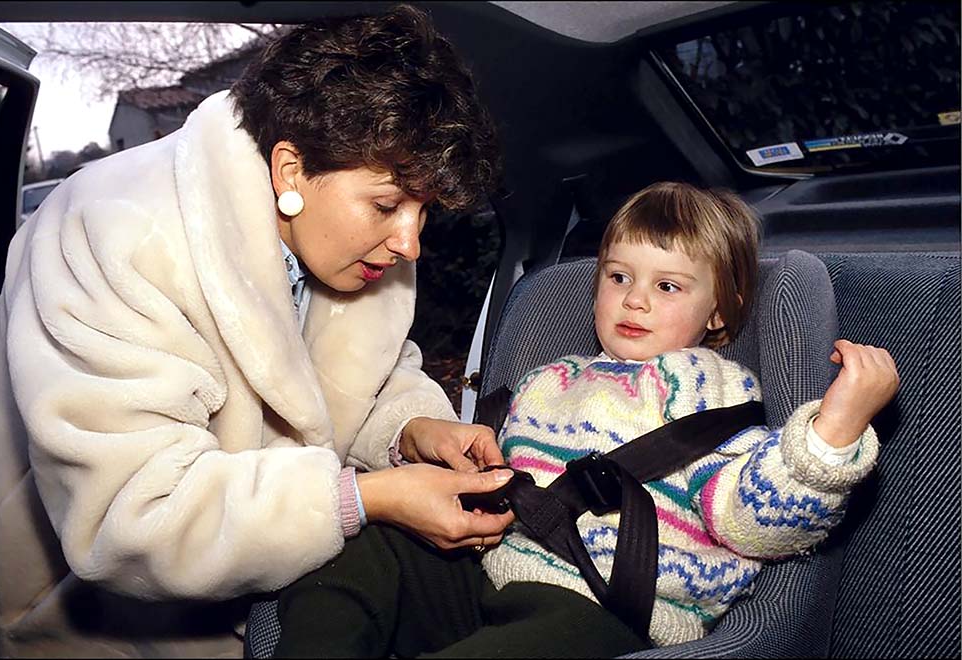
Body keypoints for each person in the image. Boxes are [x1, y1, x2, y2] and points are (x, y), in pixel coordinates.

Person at [0, 6, 518, 658]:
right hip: (103, 630)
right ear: (290, 170)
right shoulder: (114, 234)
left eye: (423, 211)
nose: (410, 242)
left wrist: (410, 429)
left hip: (263, 607)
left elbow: (361, 377)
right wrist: (366, 499)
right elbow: (133, 518)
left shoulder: (352, 236)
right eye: (388, 204)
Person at [271, 181, 900, 658]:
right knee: (352, 551)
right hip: (493, 572)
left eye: (669, 287)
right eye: (619, 276)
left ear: (719, 310)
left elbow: (751, 520)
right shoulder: (554, 378)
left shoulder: (709, 390)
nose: (634, 299)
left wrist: (832, 434)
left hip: (608, 607)